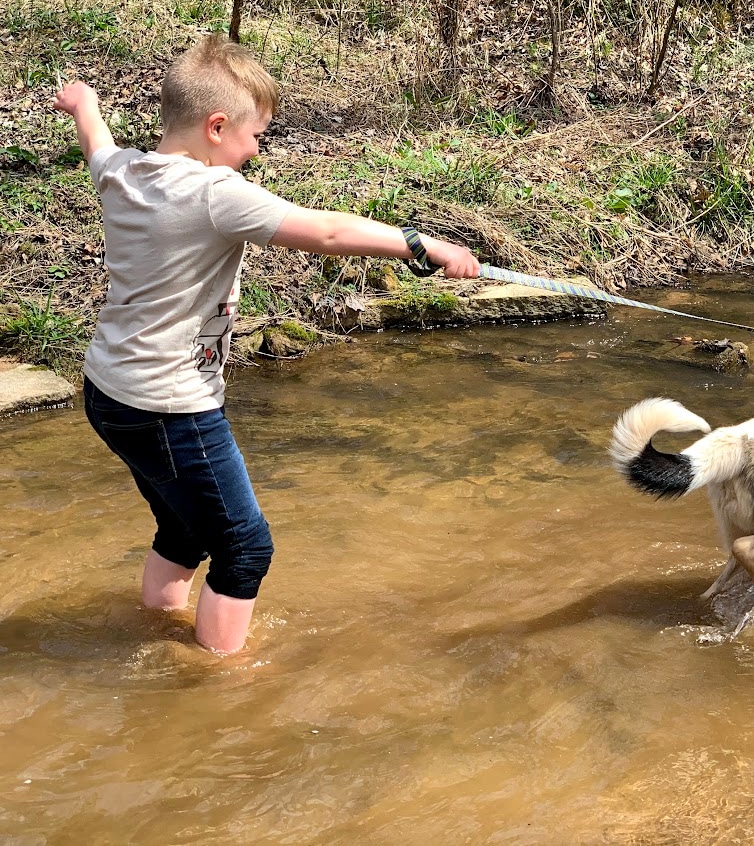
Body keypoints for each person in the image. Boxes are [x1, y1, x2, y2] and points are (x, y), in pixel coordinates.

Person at [52, 34, 481, 655]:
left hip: (109, 394)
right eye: (257, 137)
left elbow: (98, 143)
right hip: (172, 404)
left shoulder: (123, 174)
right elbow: (329, 232)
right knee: (246, 545)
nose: (257, 151)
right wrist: (425, 246)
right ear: (217, 127)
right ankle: (219, 682)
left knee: (182, 524)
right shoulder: (214, 194)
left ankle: (154, 633)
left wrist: (83, 103)